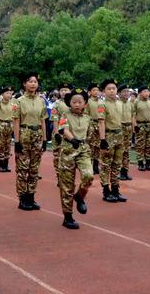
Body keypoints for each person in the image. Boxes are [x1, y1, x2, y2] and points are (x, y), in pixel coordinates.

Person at [58, 88, 94, 229]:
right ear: (69, 103)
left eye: (80, 102)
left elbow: (90, 133)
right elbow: (63, 129)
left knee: (88, 176)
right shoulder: (65, 114)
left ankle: (79, 196)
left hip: (83, 150)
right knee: (67, 186)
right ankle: (68, 216)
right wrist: (72, 139)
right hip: (68, 150)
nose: (77, 104)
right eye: (74, 102)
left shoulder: (87, 117)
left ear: (85, 103)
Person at [12, 72, 48, 211]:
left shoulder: (41, 100)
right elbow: (16, 121)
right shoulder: (18, 101)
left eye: (35, 82)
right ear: (24, 84)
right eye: (30, 81)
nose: (33, 84)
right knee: (23, 168)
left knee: (34, 169)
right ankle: (22, 198)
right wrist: (17, 141)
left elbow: (43, 120)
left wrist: (45, 139)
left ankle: (31, 196)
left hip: (37, 134)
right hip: (24, 133)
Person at [98, 79, 126, 203]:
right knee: (105, 165)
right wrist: (103, 139)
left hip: (119, 135)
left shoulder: (120, 103)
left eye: (114, 88)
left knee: (117, 164)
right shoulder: (102, 104)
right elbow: (101, 122)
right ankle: (106, 190)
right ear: (103, 91)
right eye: (109, 89)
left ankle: (115, 189)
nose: (112, 91)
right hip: (108, 136)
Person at [50, 82, 72, 186]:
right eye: (62, 90)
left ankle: (67, 178)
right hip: (59, 133)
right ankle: (59, 177)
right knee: (58, 157)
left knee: (69, 158)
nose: (64, 92)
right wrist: (56, 133)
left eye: (66, 90)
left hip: (71, 134)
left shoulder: (73, 102)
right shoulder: (57, 104)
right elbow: (54, 119)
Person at [132, 85, 150, 172]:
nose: (147, 93)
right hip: (140, 125)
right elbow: (133, 115)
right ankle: (141, 163)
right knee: (140, 145)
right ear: (140, 93)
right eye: (144, 91)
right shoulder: (136, 102)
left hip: (149, 125)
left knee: (149, 145)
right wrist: (135, 126)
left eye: (148, 92)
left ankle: (148, 163)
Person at [0, 86, 14, 173]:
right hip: (1, 124)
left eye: (10, 93)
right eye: (7, 93)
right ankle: (1, 165)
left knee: (8, 145)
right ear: (2, 94)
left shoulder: (12, 103)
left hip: (10, 125)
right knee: (1, 145)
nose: (9, 95)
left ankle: (6, 165)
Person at [118, 84, 133, 180]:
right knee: (120, 151)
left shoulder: (130, 103)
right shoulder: (117, 103)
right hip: (120, 128)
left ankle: (125, 171)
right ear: (119, 93)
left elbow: (132, 116)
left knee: (127, 151)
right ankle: (119, 171)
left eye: (128, 91)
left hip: (128, 127)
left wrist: (133, 126)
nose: (126, 93)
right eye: (124, 91)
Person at [86, 83, 101, 174]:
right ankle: (89, 166)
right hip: (91, 124)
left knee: (98, 146)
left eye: (97, 90)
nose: (96, 92)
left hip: (99, 124)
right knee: (90, 146)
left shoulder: (101, 102)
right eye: (94, 90)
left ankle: (96, 165)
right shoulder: (88, 102)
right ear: (90, 92)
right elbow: (86, 115)